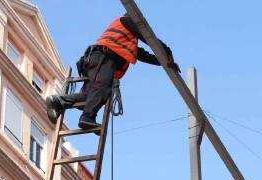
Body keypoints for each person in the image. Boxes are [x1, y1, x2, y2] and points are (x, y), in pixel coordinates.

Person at [46, 14, 180, 131]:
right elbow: (147, 36)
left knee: (92, 96)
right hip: (103, 59)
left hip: (98, 60)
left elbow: (142, 54)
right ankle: (87, 118)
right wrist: (167, 50)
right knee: (101, 89)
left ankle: (58, 101)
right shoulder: (125, 21)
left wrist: (163, 62)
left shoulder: (127, 37)